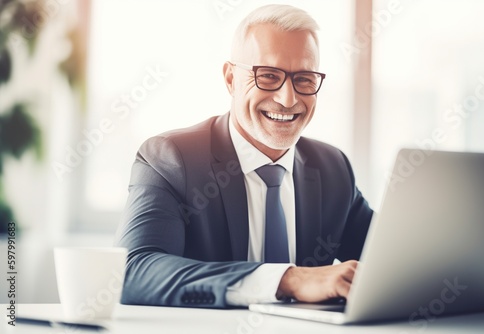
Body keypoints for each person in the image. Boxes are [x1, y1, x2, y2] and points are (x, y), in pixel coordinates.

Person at [115, 4, 373, 308]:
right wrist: (288, 279)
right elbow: (133, 272)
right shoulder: (172, 158)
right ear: (230, 79)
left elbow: (395, 262)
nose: (287, 98)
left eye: (304, 79)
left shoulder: (333, 169)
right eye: (267, 75)